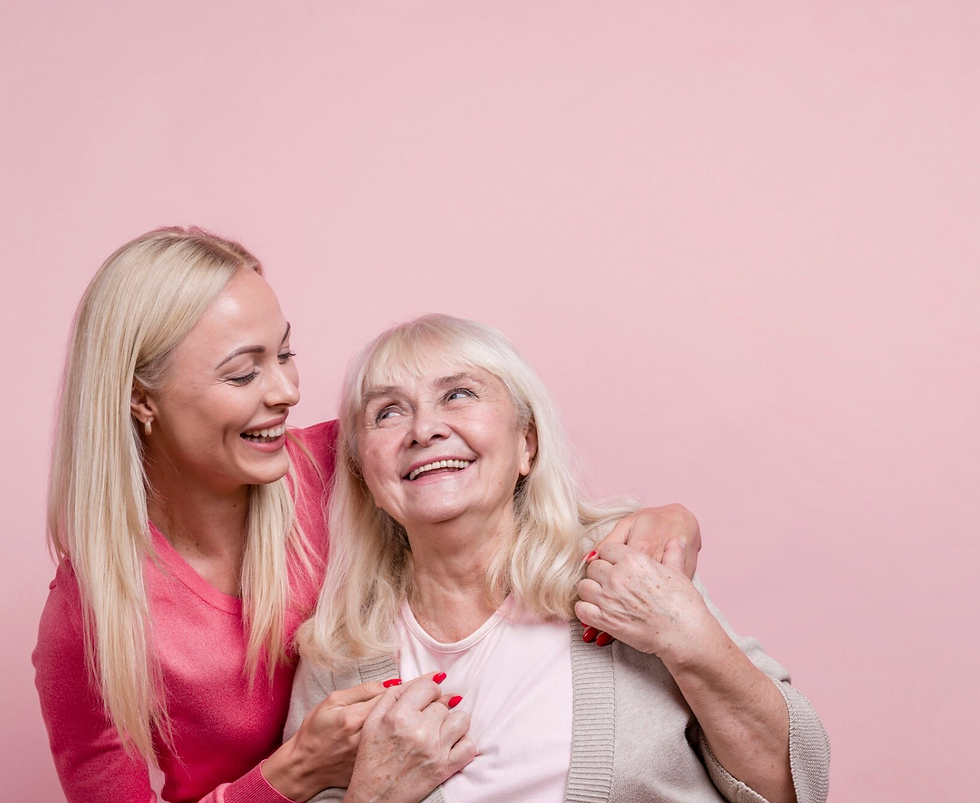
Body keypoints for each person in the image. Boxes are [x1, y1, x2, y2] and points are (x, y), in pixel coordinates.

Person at [33, 228, 704, 803]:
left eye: (285, 354)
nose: (287, 391)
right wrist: (290, 774)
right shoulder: (88, 615)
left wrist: (669, 521)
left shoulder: (348, 466)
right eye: (244, 374)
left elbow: (512, 486)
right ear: (141, 400)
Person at [287, 314, 830, 803]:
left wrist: (691, 638)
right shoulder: (338, 651)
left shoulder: (622, 568)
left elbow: (791, 787)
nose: (424, 429)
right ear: (366, 478)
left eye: (458, 395)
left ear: (527, 444)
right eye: (388, 412)